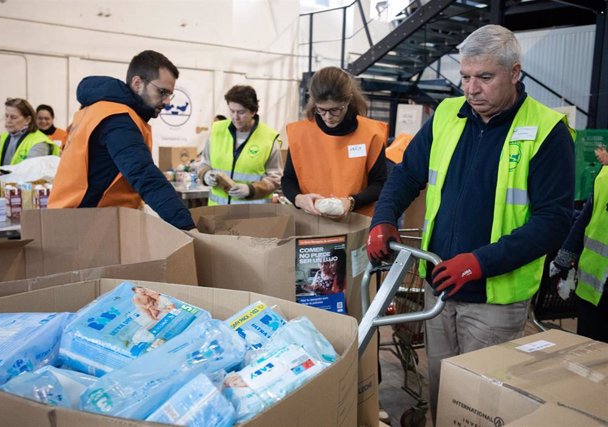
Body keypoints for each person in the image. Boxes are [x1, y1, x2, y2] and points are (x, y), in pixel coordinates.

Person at [366, 25, 575, 422]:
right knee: (442, 388)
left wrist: (479, 262)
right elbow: (407, 174)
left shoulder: (547, 132)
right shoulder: (447, 115)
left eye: (484, 77)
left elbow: (554, 220)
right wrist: (384, 218)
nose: (471, 89)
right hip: (440, 288)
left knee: (480, 404)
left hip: (495, 300)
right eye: (465, 77)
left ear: (514, 73)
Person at [48, 50, 195, 231]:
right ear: (137, 83)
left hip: (74, 218)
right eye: (162, 92)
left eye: (169, 95)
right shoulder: (117, 119)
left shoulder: (99, 109)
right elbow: (143, 174)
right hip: (81, 225)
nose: (166, 102)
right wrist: (187, 226)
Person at [282, 66, 388, 218]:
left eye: (335, 110)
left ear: (348, 100)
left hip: (355, 223)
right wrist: (298, 199)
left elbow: (380, 183)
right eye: (321, 109)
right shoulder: (300, 134)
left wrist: (351, 202)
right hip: (310, 222)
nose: (328, 117)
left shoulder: (371, 134)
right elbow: (288, 179)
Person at [195, 85, 282, 205]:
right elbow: (203, 163)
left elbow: (275, 178)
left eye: (241, 112)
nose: (235, 117)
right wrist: (205, 175)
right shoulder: (217, 130)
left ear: (253, 111)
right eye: (232, 111)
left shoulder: (269, 138)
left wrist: (251, 190)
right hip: (218, 213)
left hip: (252, 217)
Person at [550, 164, 608, 343]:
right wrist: (563, 260)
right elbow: (585, 219)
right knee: (588, 359)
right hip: (591, 292)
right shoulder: (604, 175)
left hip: (595, 291)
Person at [0, 98, 60, 192]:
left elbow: (28, 172)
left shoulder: (39, 143)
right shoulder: (5, 136)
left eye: (13, 117)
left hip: (27, 197)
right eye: (6, 116)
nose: (8, 121)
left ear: (28, 120)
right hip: (5, 194)